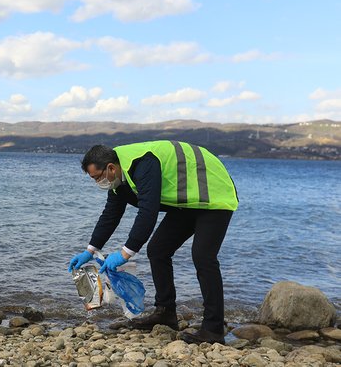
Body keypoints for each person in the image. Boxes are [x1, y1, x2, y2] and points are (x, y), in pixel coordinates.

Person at [68, 141, 238, 344]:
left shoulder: (142, 164)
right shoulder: (119, 179)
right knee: (158, 249)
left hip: (214, 195)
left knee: (203, 257)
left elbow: (148, 212)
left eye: (97, 177)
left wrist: (124, 253)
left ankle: (213, 329)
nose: (98, 183)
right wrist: (90, 250)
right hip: (188, 201)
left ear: (110, 168)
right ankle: (166, 314)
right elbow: (110, 215)